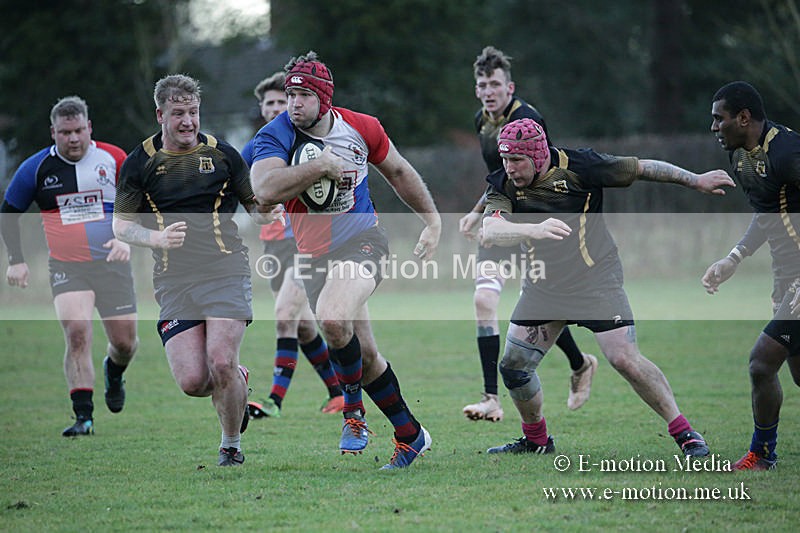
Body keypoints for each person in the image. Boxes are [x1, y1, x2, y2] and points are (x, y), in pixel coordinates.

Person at [481, 118, 734, 456]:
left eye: (516, 160)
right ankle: (537, 441)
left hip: (595, 280)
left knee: (625, 359)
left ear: (539, 155)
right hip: (543, 288)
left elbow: (643, 168)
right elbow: (490, 231)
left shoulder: (582, 166)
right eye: (504, 159)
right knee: (513, 366)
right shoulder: (503, 182)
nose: (508, 168)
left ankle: (686, 433)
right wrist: (533, 230)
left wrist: (695, 180)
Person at [250, 51, 441, 469]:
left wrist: (431, 221)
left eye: (302, 95)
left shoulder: (362, 127)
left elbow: (400, 172)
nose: (293, 103)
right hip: (314, 256)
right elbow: (263, 190)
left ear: (324, 99)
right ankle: (411, 435)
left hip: (364, 241)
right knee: (366, 356)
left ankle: (353, 413)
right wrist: (318, 166)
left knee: (334, 321)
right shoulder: (275, 135)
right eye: (289, 94)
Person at [113, 74, 275, 466]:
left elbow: (255, 204)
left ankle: (231, 446)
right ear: (161, 114)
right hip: (174, 281)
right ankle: (237, 380)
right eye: (178, 114)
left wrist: (272, 207)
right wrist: (156, 239)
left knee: (221, 361)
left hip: (225, 270)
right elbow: (121, 225)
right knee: (192, 382)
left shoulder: (223, 155)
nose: (187, 121)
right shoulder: (140, 163)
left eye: (193, 112)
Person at [458, 46, 596, 421]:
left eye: (495, 84)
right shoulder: (482, 121)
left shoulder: (527, 118)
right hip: (503, 221)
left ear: (510, 87)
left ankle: (581, 363)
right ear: (476, 89)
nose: (489, 91)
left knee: (536, 307)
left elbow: (539, 175)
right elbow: (499, 180)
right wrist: (480, 214)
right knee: (484, 300)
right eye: (482, 84)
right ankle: (490, 398)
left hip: (532, 223)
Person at [1, 96, 139, 437]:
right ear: (53, 132)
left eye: (79, 130)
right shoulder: (35, 169)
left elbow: (139, 201)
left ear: (89, 128)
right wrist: (16, 260)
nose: (73, 138)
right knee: (77, 332)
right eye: (65, 132)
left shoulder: (115, 158)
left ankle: (114, 372)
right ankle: (83, 417)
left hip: (112, 264)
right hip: (68, 266)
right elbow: (9, 213)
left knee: (125, 344)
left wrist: (126, 239)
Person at [702, 81, 800, 471]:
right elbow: (768, 215)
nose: (713, 128)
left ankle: (762, 454)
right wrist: (734, 257)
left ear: (743, 118)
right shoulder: (741, 157)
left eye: (718, 119)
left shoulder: (788, 152)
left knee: (762, 362)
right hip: (786, 277)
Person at [241, 71, 344, 418]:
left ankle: (274, 400)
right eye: (270, 102)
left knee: (285, 315)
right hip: (274, 247)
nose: (276, 108)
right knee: (301, 325)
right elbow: (238, 186)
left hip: (306, 243)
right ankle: (338, 391)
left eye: (281, 101)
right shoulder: (258, 146)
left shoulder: (306, 143)